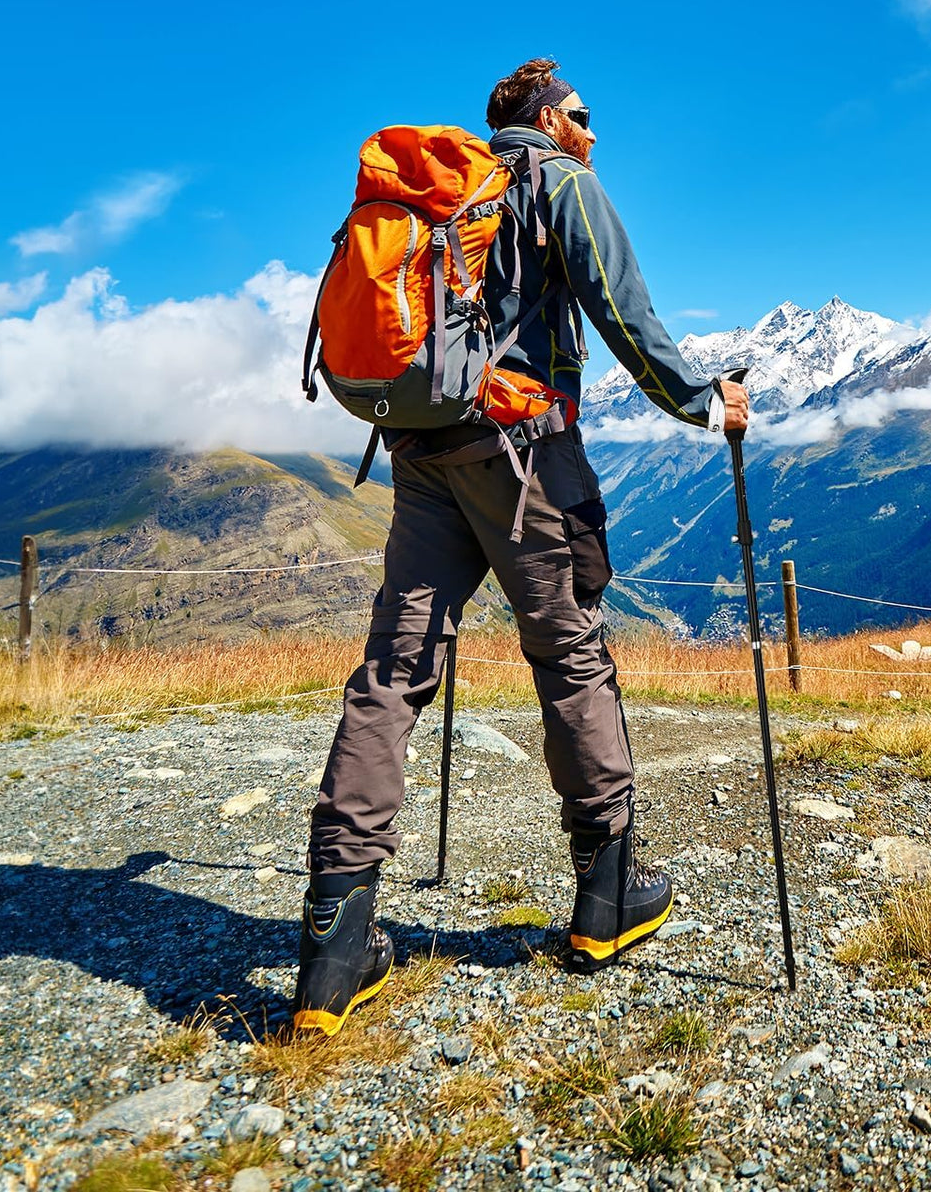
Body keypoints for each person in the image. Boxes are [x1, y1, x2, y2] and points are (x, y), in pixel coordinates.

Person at [293, 58, 750, 1035]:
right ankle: (609, 888)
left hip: (423, 452)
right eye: (584, 113)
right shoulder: (558, 182)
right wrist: (704, 400)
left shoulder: (446, 200)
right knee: (571, 654)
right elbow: (623, 310)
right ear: (547, 117)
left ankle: (335, 935)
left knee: (390, 673)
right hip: (526, 450)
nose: (595, 129)